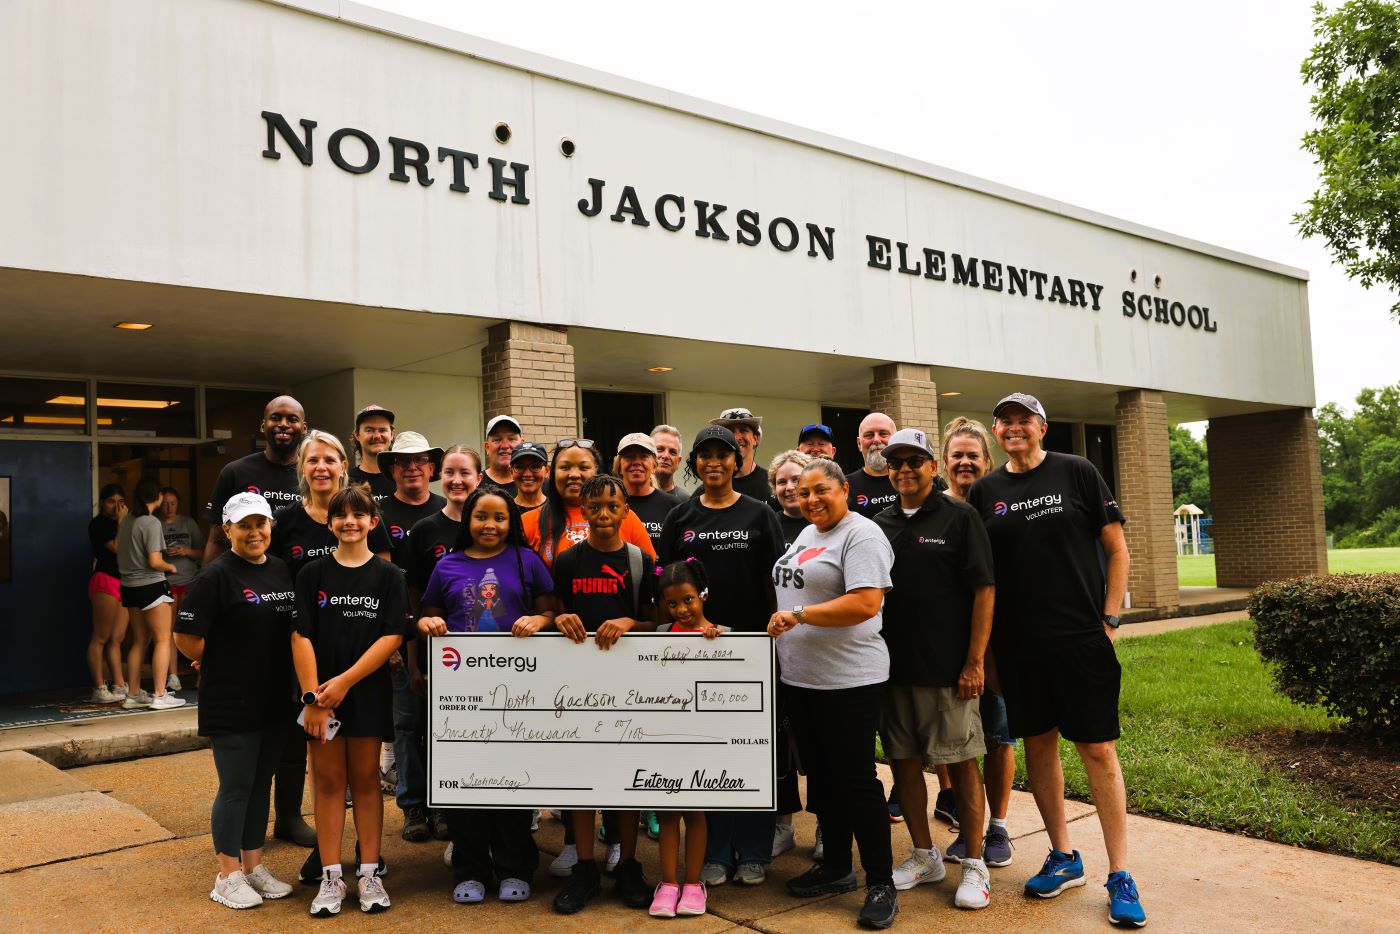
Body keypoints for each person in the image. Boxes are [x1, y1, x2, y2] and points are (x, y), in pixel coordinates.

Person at [965, 393, 1146, 928]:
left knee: (1097, 750)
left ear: (1042, 428)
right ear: (997, 432)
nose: (1016, 428)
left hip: (1080, 640)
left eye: (1025, 420)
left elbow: (1117, 549)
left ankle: (1120, 873)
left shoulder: (1079, 472)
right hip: (1020, 649)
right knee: (1040, 749)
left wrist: (1109, 622)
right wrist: (990, 653)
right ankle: (1064, 856)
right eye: (1007, 422)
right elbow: (984, 579)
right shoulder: (985, 491)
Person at [767, 458, 897, 930]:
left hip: (849, 679)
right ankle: (838, 867)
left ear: (845, 489)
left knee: (857, 780)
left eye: (821, 490)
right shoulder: (808, 534)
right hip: (803, 679)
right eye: (804, 493)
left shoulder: (860, 535)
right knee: (822, 776)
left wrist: (799, 616)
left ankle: (880, 881)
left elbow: (866, 603)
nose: (811, 500)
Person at [516, 474, 655, 916]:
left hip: (628, 685)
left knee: (627, 777)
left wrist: (631, 623)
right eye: (594, 507)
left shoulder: (638, 561)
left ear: (626, 509)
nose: (603, 515)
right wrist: (560, 619)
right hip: (578, 684)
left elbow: (656, 620)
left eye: (612, 507)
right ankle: (586, 867)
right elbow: (554, 609)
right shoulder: (570, 559)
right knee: (581, 776)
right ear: (584, 509)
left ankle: (629, 863)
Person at [871, 428, 996, 910]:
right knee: (902, 761)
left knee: (962, 763)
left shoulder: (960, 517)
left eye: (914, 461)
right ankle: (925, 856)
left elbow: (984, 590)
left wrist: (974, 661)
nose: (904, 469)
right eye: (896, 462)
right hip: (891, 667)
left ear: (932, 467)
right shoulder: (876, 523)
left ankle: (975, 863)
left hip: (948, 671)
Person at [659, 426, 784, 887]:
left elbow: (778, 583)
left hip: (750, 652)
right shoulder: (681, 516)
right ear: (695, 462)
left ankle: (752, 851)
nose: (714, 462)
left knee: (752, 752)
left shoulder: (760, 513)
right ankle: (713, 851)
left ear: (737, 461)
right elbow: (666, 586)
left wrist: (775, 638)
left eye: (723, 455)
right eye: (705, 455)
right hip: (695, 656)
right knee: (705, 751)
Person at [417, 485, 554, 904]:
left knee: (513, 781)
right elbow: (430, 613)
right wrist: (427, 625)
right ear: (467, 521)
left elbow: (551, 610)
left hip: (518, 691)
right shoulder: (447, 566)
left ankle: (516, 867)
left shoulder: (525, 560)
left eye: (499, 518)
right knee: (465, 783)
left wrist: (538, 619)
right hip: (461, 696)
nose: (490, 525)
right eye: (481, 517)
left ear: (511, 522)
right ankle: (471, 868)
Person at [173, 492, 297, 910]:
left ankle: (252, 866)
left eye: (261, 524)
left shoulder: (280, 569)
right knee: (236, 787)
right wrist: (222, 660)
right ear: (227, 531)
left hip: (275, 696)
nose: (254, 532)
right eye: (244, 525)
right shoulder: (216, 576)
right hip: (231, 699)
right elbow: (185, 636)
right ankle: (227, 875)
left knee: (261, 784)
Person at [269, 430, 392, 849]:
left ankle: (368, 853)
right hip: (306, 655)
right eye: (312, 460)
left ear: (344, 464)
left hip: (362, 660)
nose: (321, 467)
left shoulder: (366, 522)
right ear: (301, 468)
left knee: (362, 770)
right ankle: (323, 852)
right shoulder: (286, 522)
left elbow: (385, 590)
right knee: (318, 763)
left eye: (330, 459)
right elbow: (270, 580)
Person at [292, 484, 409, 917]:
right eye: (341, 515)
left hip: (365, 693)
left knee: (364, 781)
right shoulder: (311, 574)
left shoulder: (389, 576)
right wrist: (315, 696)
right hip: (320, 698)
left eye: (359, 515)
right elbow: (301, 634)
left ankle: (369, 872)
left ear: (373, 523)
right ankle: (330, 876)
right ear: (330, 523)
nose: (350, 522)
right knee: (325, 782)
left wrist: (344, 682)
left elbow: (392, 635)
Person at [940, 417, 1016, 871]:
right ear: (944, 463)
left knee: (999, 736)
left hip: (999, 643)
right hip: (948, 646)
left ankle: (999, 826)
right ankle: (970, 831)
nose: (965, 462)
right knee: (960, 744)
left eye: (973, 455)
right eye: (957, 455)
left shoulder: (999, 507)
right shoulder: (936, 510)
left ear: (986, 461)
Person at [375, 430, 446, 844]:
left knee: (443, 725)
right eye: (403, 462)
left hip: (447, 641)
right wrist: (394, 642)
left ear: (432, 468)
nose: (413, 467)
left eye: (420, 460)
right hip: (399, 637)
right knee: (405, 725)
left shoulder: (448, 511)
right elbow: (378, 582)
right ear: (392, 470)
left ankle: (444, 804)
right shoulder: (378, 514)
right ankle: (414, 805)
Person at [649, 558, 722, 919]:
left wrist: (716, 644)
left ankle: (693, 883)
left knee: (695, 811)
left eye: (689, 600)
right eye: (673, 603)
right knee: (667, 812)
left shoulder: (723, 635)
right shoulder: (661, 634)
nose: (681, 609)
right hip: (665, 739)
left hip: (702, 740)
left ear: (703, 595)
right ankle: (667, 884)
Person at [765, 449, 811, 860]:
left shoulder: (824, 523)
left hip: (818, 648)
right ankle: (783, 824)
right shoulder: (768, 523)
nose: (790, 487)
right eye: (781, 481)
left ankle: (830, 825)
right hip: (776, 648)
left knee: (815, 742)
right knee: (778, 742)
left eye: (797, 479)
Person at [522, 439, 655, 568]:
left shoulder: (625, 517)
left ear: (596, 471)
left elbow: (649, 568)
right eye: (565, 467)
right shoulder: (528, 522)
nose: (574, 474)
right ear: (552, 472)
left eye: (583, 467)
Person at [203, 395, 306, 563]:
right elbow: (216, 540)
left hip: (300, 576)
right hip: (246, 577)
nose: (283, 424)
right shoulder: (234, 472)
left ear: (303, 428)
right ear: (263, 425)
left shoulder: (314, 475)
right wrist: (205, 583)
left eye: (292, 419)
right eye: (275, 418)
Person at [117, 477, 186, 710]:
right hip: (151, 586)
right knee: (163, 639)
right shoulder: (150, 522)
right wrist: (171, 567)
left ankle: (133, 693)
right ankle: (159, 694)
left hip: (129, 587)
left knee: (139, 640)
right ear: (157, 497)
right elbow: (155, 561)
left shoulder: (126, 521)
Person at [86, 484, 130, 703]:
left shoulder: (125, 523)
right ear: (102, 502)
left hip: (125, 582)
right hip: (106, 579)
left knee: (117, 638)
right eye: (112, 501)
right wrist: (122, 521)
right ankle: (99, 688)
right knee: (100, 637)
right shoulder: (99, 523)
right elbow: (117, 547)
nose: (116, 506)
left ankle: (120, 685)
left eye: (121, 501)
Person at [159, 487, 203, 692]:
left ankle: (200, 674)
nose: (168, 507)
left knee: (193, 629)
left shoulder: (188, 523)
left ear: (178, 503)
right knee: (168, 632)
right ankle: (173, 675)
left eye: (173, 503)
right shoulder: (155, 524)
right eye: (165, 503)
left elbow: (203, 553)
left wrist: (185, 550)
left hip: (189, 580)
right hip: (166, 582)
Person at [615, 432, 684, 553]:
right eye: (629, 457)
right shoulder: (610, 505)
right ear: (619, 466)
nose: (636, 462)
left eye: (644, 457)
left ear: (654, 466)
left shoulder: (673, 506)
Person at [845, 412, 900, 519]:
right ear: (859, 443)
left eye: (883, 433)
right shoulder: (845, 486)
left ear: (895, 439)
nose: (876, 440)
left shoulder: (912, 479)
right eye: (869, 435)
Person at [708, 408, 771, 500]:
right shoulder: (711, 486)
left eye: (743, 430)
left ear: (755, 438)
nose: (737, 438)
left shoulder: (773, 483)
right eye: (730, 432)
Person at [348, 404, 397, 502]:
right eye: (369, 430)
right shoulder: (347, 482)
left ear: (391, 434)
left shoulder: (402, 477)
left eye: (382, 430)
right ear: (357, 435)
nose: (377, 436)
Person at [482, 415, 523, 497]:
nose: (505, 446)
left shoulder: (537, 484)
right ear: (487, 447)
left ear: (522, 444)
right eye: (497, 439)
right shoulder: (474, 484)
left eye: (511, 439)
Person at [509, 442, 548, 514]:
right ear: (511, 471)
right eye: (519, 467)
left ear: (547, 470)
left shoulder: (557, 510)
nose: (527, 474)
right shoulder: (505, 511)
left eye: (535, 466)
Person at [650, 425, 684, 495]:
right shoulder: (627, 497)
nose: (665, 456)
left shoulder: (686, 501)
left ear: (679, 461)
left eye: (672, 452)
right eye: (659, 449)